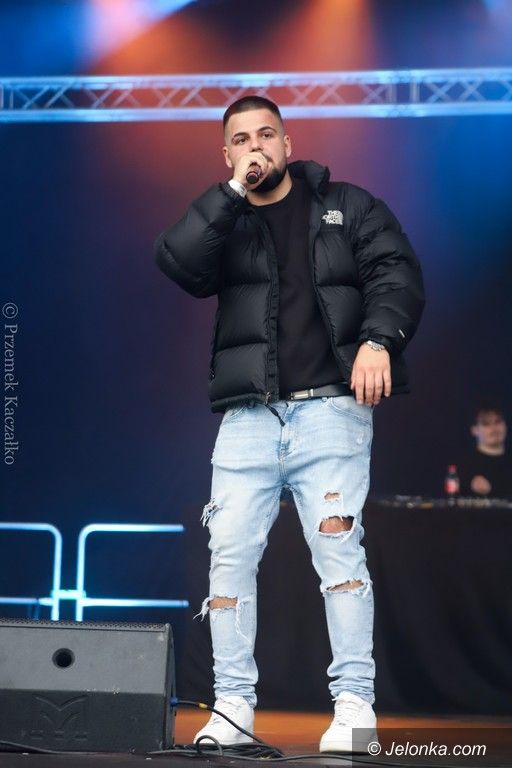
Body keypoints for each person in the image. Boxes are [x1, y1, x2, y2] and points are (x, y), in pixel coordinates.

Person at [154, 95, 425, 753]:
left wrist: (378, 341)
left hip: (331, 410)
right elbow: (177, 261)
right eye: (242, 139)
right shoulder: (227, 220)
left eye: (266, 135)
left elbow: (396, 272)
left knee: (339, 556)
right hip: (248, 417)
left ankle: (355, 705)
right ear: (228, 153)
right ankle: (232, 708)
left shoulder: (347, 205)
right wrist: (229, 194)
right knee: (228, 560)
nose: (256, 147)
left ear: (287, 142)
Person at [458, 406, 510, 498]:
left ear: (505, 426)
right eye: (486, 424)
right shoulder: (464, 467)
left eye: (498, 421)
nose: (494, 428)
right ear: (474, 430)